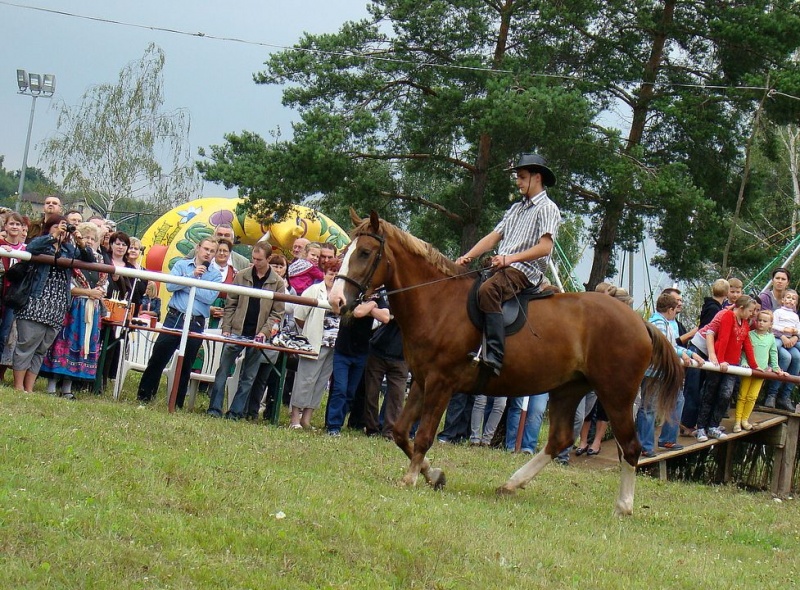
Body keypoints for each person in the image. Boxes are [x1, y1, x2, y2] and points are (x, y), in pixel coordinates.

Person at [455, 153, 561, 375]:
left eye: (522, 177)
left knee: (488, 290)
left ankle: (494, 355)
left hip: (524, 271)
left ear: (537, 177)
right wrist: (468, 255)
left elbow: (545, 248)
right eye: (518, 177)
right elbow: (494, 236)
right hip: (501, 265)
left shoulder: (548, 208)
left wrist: (509, 259)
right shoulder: (516, 208)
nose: (518, 181)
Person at [12, 216, 96, 392]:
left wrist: (80, 241)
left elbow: (90, 260)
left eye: (64, 227)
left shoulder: (68, 249)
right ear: (48, 228)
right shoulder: (42, 244)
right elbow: (32, 247)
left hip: (57, 306)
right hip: (35, 303)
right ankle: (18, 386)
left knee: (41, 350)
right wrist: (53, 236)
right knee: (26, 345)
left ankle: (29, 387)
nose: (61, 230)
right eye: (57, 226)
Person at [136, 238, 222, 407]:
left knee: (186, 364)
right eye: (205, 249)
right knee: (159, 356)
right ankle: (144, 397)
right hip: (175, 317)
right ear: (198, 248)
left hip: (196, 321)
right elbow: (170, 286)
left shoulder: (216, 275)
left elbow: (209, 297)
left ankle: (177, 403)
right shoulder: (181, 266)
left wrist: (186, 284)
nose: (208, 253)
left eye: (212, 251)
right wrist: (192, 277)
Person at [207, 243, 285, 419]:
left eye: (259, 259)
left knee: (248, 377)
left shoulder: (277, 283)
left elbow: (277, 312)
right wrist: (226, 328)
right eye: (253, 258)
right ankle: (214, 409)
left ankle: (235, 412)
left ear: (268, 259)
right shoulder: (241, 276)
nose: (255, 262)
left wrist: (264, 332)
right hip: (236, 331)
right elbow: (230, 304)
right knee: (223, 371)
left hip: (258, 335)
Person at [41, 222, 108, 399]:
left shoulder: (100, 261)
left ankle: (67, 389)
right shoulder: (73, 256)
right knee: (62, 344)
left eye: (93, 239)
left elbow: (103, 285)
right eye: (86, 237)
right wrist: (88, 292)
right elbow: (68, 286)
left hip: (91, 309)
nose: (90, 241)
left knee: (80, 348)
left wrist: (98, 293)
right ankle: (51, 386)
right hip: (73, 307)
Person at [637, 293, 704, 457]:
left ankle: (667, 438)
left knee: (677, 400)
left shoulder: (667, 323)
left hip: (665, 372)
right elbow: (664, 347)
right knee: (648, 407)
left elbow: (672, 345)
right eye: (675, 309)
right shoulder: (657, 324)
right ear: (670, 309)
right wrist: (682, 354)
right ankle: (644, 445)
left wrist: (688, 353)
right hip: (654, 372)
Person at [696, 295, 760, 442]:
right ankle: (701, 427)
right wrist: (720, 359)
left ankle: (713, 426)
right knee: (710, 392)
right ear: (742, 308)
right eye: (750, 310)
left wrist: (754, 366)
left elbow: (747, 344)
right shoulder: (728, 316)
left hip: (733, 365)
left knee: (726, 394)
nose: (752, 314)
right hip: (720, 362)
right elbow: (723, 338)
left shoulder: (744, 323)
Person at [325, 295, 389, 436]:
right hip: (342, 352)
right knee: (339, 389)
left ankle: (338, 422)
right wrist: (372, 305)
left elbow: (385, 317)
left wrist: (369, 306)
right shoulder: (352, 293)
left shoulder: (378, 298)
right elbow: (357, 312)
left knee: (350, 393)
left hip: (361, 353)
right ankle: (333, 426)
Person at [289, 261, 341, 429]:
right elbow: (299, 314)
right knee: (305, 379)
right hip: (314, 343)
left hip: (334, 345)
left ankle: (307, 419)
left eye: (337, 274)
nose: (333, 276)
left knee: (320, 382)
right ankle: (295, 418)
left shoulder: (343, 294)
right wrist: (308, 334)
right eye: (331, 272)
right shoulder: (314, 290)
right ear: (324, 273)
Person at [682, 278, 730, 435]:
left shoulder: (714, 307)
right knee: (693, 388)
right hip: (699, 349)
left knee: (699, 388)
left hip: (703, 351)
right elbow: (710, 331)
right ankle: (687, 424)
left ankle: (695, 423)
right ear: (727, 293)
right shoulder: (714, 310)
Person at [363, 290, 408, 440]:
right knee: (371, 393)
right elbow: (384, 314)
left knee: (397, 397)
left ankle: (389, 432)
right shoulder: (386, 294)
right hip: (378, 350)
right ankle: (371, 429)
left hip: (401, 356)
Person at [736, 310, 783, 431]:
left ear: (770, 324)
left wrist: (776, 368)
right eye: (759, 320)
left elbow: (773, 353)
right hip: (749, 370)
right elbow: (744, 351)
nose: (761, 323)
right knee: (742, 395)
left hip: (761, 372)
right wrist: (744, 363)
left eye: (765, 321)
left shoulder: (771, 338)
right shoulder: (750, 334)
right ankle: (737, 421)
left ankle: (745, 420)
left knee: (752, 396)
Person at [763, 290, 800, 410]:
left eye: (793, 299)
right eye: (788, 298)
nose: (790, 300)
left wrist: (795, 335)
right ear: (783, 300)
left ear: (796, 302)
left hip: (791, 342)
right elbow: (772, 326)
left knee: (797, 357)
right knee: (786, 357)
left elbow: (798, 329)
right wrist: (784, 331)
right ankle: (772, 394)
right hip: (779, 339)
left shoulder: (795, 316)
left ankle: (785, 396)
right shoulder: (778, 312)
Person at [0, 213, 28, 359]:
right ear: (5, 226)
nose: (14, 227)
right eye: (11, 224)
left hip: (13, 295)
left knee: (5, 332)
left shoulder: (25, 249)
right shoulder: (0, 243)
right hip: (1, 288)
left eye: (18, 224)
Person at [208, 237, 237, 329]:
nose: (221, 253)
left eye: (225, 251)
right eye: (219, 250)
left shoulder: (235, 273)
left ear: (229, 254)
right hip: (204, 314)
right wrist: (209, 309)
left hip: (225, 318)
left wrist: (226, 311)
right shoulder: (205, 269)